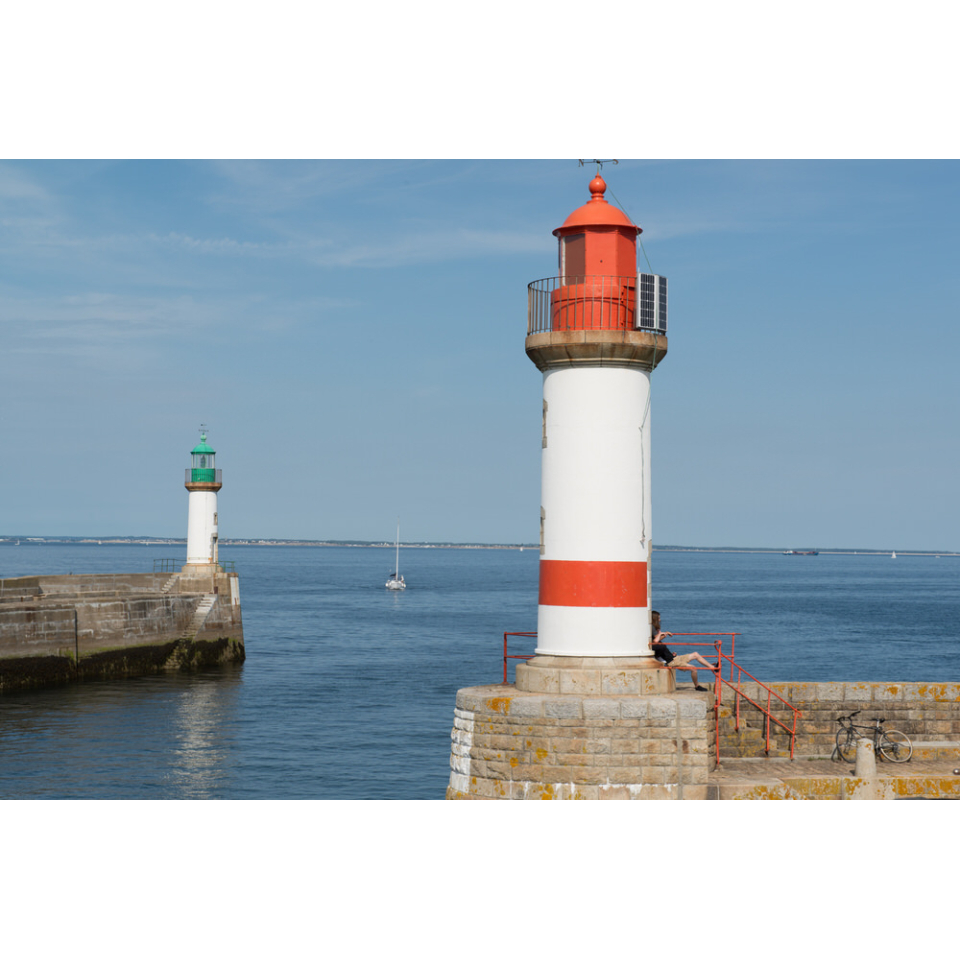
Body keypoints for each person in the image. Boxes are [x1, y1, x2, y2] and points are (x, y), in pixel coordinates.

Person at [650, 610, 717, 691]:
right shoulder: (654, 642)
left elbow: (658, 640)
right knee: (693, 668)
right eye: (659, 618)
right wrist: (660, 633)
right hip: (672, 662)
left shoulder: (656, 635)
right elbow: (655, 641)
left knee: (695, 654)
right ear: (655, 619)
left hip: (674, 658)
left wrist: (664, 634)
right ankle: (697, 686)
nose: (660, 620)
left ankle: (712, 667)